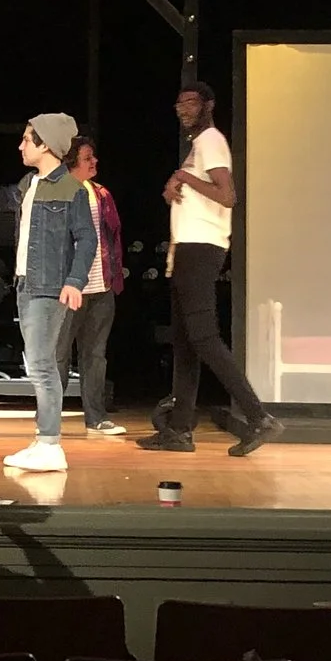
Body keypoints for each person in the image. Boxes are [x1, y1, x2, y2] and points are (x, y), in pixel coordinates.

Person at [0, 116, 99, 473]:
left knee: (42, 366)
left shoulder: (71, 189)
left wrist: (74, 282)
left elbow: (87, 240)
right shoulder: (28, 183)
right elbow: (2, 197)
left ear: (45, 144)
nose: (20, 146)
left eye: (26, 140)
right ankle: (43, 439)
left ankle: (50, 444)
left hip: (49, 288)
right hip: (26, 285)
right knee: (38, 364)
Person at [144, 81, 279, 456]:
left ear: (208, 104)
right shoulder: (197, 146)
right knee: (186, 343)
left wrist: (183, 177)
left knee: (203, 337)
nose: (182, 108)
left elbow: (227, 195)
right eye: (178, 103)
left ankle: (258, 417)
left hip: (202, 249)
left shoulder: (211, 141)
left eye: (190, 102)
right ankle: (179, 431)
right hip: (188, 250)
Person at [65, 135, 127, 438]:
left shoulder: (101, 194)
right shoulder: (60, 191)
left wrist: (115, 275)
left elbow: (113, 238)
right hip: (69, 287)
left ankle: (96, 417)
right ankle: (47, 420)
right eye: (87, 157)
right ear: (72, 160)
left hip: (100, 285)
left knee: (95, 354)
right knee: (59, 355)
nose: (94, 162)